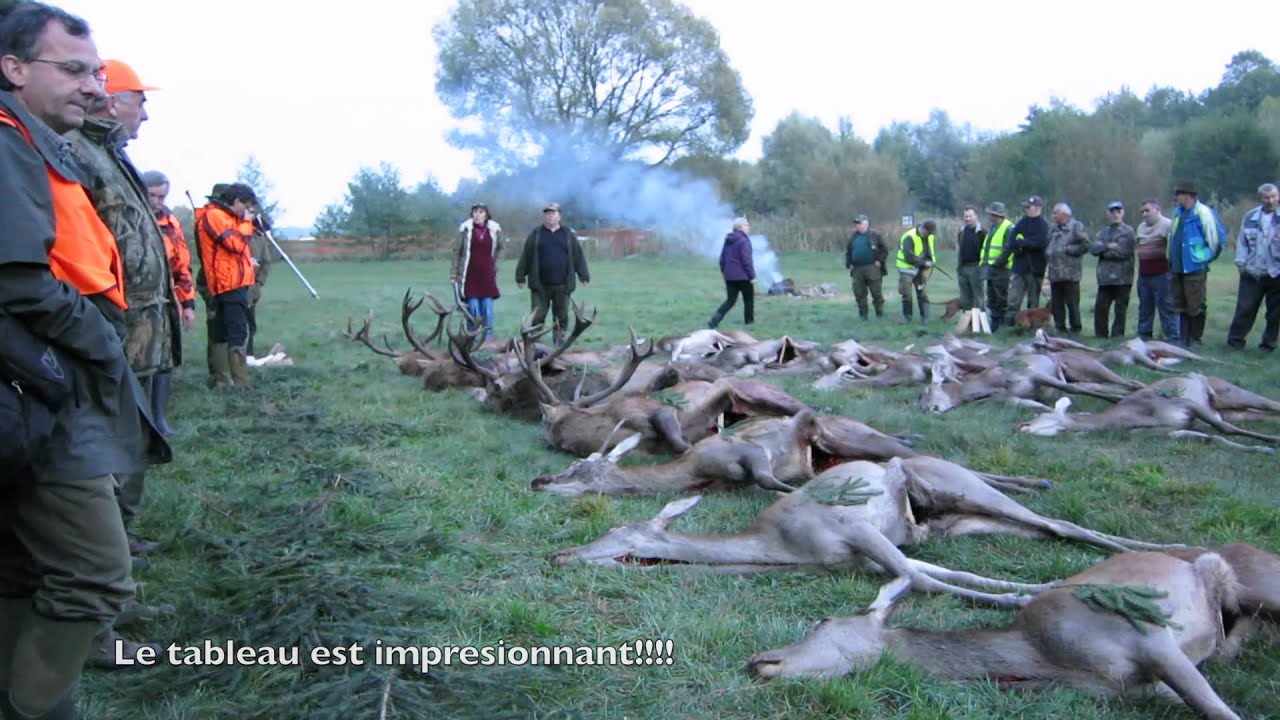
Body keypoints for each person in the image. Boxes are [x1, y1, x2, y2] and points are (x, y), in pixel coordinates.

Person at [0, 3, 170, 717]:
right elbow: (18, 280)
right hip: (42, 380)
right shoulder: (8, 145)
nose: (92, 86)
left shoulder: (39, 144)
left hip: (42, 378)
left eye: (96, 72)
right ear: (14, 68)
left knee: (19, 567)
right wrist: (101, 340)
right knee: (96, 575)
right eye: (72, 70)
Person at [64, 56, 174, 667]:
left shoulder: (109, 154)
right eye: (139, 98)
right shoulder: (77, 153)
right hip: (109, 335)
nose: (144, 112)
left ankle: (116, 578)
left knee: (130, 450)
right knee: (100, 466)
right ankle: (96, 616)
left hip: (139, 335)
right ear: (112, 98)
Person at [141, 170, 196, 434]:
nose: (156, 201)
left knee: (165, 357)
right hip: (136, 300)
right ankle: (140, 419)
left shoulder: (171, 223)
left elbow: (182, 267)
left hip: (166, 298)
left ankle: (159, 418)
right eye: (151, 195)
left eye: (161, 196)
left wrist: (188, 305)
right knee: (140, 357)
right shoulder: (130, 216)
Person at [195, 182, 259, 387]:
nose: (247, 211)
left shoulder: (225, 217)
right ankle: (239, 382)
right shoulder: (215, 216)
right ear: (237, 201)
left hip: (231, 282)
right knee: (236, 331)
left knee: (222, 331)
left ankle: (225, 381)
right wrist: (247, 223)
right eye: (246, 206)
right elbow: (235, 244)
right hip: (228, 283)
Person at [514, 202, 589, 345]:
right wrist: (520, 276)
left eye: (553, 213)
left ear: (559, 216)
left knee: (561, 317)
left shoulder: (568, 234)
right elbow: (526, 256)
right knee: (537, 317)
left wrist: (583, 274)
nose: (550, 216)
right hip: (539, 285)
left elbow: (578, 255)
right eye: (547, 213)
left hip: (563, 285)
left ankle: (559, 344)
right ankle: (535, 345)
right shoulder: (536, 234)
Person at [1168, 181, 1226, 347]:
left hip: (1194, 266)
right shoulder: (1178, 213)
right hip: (1178, 267)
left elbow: (1216, 239)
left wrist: (1205, 257)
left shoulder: (1203, 212)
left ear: (1189, 196)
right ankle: (1183, 338)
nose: (1176, 197)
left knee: (1195, 303)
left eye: (1179, 194)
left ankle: (1195, 339)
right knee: (1180, 303)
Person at [1227, 183, 1280, 352]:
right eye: (1266, 197)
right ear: (1260, 198)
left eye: (1273, 196)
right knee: (1245, 308)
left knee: (1274, 313)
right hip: (1252, 271)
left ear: (1278, 196)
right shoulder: (1250, 217)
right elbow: (1242, 242)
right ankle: (1235, 342)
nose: (1270, 200)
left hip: (1276, 273)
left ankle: (1268, 345)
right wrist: (1240, 263)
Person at [451, 202, 504, 342]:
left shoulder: (494, 229)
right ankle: (472, 337)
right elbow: (456, 252)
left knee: (487, 306)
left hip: (487, 274)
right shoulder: (465, 229)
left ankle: (488, 337)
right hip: (469, 274)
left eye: (481, 212)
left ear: (486, 215)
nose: (477, 215)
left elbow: (501, 248)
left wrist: (496, 265)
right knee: (473, 306)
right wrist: (453, 274)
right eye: (475, 212)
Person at [1134, 198, 1179, 343]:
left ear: (1157, 209)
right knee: (1144, 307)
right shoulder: (1140, 227)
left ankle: (1172, 336)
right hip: (1144, 274)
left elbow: (1174, 250)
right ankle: (1144, 335)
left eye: (1147, 210)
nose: (1144, 214)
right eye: (1142, 212)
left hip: (1162, 274)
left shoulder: (1168, 225)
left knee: (1166, 306)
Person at [1090, 201, 1136, 338]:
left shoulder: (1128, 231)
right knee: (1100, 308)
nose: (1115, 214)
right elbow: (1094, 249)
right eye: (1112, 212)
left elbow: (1124, 252)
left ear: (1123, 213)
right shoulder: (1102, 232)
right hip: (1105, 278)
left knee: (1120, 309)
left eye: (1118, 211)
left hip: (1123, 278)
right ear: (1108, 214)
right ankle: (1101, 335)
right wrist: (1110, 246)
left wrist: (1104, 248)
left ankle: (1117, 335)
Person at [1003, 195, 1050, 327]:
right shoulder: (1021, 222)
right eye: (1026, 207)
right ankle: (1010, 326)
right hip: (1019, 267)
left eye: (1029, 207)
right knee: (1013, 298)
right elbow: (1011, 241)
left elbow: (1041, 243)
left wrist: (1024, 243)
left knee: (1033, 300)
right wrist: (1022, 244)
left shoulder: (1043, 225)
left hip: (1035, 268)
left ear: (1038, 208)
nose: (1026, 209)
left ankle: (1033, 327)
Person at [1045, 202, 1089, 334]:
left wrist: (1069, 250)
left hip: (1070, 273)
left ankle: (1075, 328)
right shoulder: (1053, 229)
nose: (1053, 215)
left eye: (1055, 213)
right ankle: (1060, 328)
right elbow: (1049, 244)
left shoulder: (1076, 226)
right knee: (1057, 303)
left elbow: (1085, 245)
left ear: (1064, 214)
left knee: (1072, 303)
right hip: (1055, 273)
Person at [709, 217, 755, 327]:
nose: (748, 227)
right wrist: (752, 276)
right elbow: (747, 260)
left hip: (729, 276)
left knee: (730, 300)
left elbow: (722, 259)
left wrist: (725, 272)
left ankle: (715, 320)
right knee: (748, 300)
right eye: (746, 225)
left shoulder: (728, 240)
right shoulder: (744, 241)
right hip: (743, 277)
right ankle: (749, 322)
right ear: (740, 227)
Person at [843, 213, 887, 320]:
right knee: (859, 293)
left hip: (872, 267)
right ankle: (863, 316)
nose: (857, 226)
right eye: (856, 224)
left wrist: (880, 261)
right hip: (857, 269)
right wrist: (849, 263)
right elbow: (848, 252)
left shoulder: (875, 235)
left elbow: (884, 250)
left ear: (866, 224)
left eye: (859, 223)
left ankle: (879, 313)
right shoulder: (853, 237)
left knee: (876, 292)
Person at [981, 202, 1014, 331]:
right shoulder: (994, 227)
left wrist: (998, 263)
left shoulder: (1008, 228)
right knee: (992, 295)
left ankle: (1002, 323)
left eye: (991, 213)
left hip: (1002, 269)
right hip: (991, 268)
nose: (989, 216)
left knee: (1001, 296)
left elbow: (1009, 249)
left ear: (996, 215)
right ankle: (994, 321)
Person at [894, 220, 936, 322]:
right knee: (907, 294)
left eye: (931, 233)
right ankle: (907, 317)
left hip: (921, 269)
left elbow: (929, 252)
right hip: (906, 269)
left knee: (922, 293)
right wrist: (924, 263)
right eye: (928, 232)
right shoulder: (909, 237)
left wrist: (930, 263)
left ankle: (925, 317)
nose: (929, 235)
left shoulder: (930, 236)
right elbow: (909, 257)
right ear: (923, 229)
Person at [955, 207, 987, 312]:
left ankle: (981, 318)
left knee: (979, 297)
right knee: (965, 299)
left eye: (970, 216)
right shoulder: (961, 231)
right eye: (966, 216)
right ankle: (968, 319)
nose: (968, 219)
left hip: (976, 268)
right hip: (963, 268)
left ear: (976, 216)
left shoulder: (983, 232)